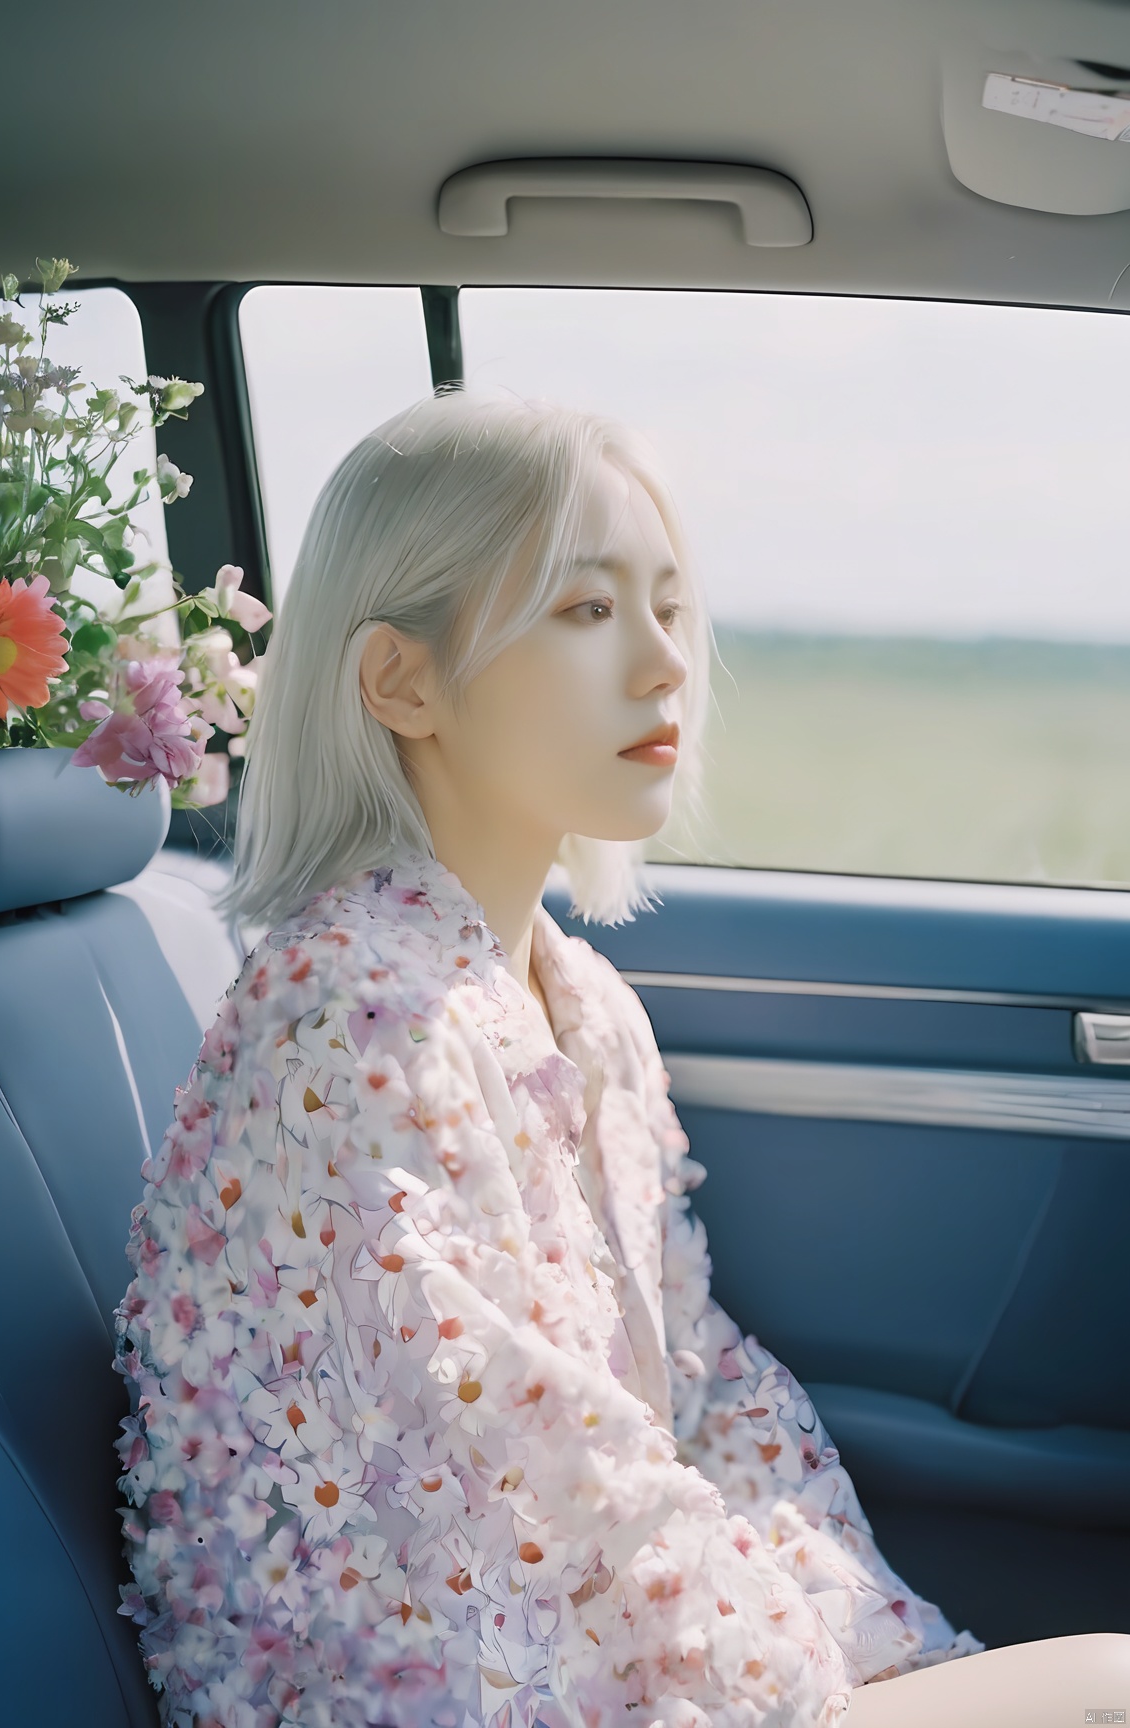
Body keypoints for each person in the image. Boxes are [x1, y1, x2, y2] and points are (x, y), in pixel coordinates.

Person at [114, 392, 1129, 1728]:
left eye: (669, 608)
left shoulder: (581, 998)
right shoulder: (350, 1019)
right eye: (588, 611)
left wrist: (871, 1647)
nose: (662, 666)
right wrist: (807, 1687)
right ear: (400, 681)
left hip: (632, 1641)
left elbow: (697, 1389)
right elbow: (510, 1490)